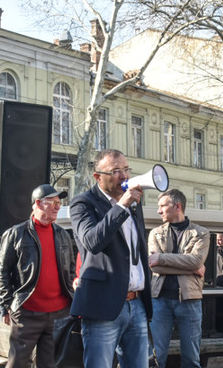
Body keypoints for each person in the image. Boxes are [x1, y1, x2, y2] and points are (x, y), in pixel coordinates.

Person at [69, 149, 152, 368]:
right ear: (98, 176)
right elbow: (92, 241)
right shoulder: (82, 204)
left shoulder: (134, 203)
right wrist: (122, 206)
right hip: (102, 306)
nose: (124, 176)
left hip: (137, 304)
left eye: (126, 169)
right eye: (116, 171)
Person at [0, 184, 75, 368]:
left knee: (50, 365)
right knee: (17, 364)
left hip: (58, 314)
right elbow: (1, 271)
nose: (57, 206)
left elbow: (70, 271)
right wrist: (6, 305)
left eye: (59, 202)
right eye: (52, 202)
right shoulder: (16, 233)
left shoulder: (62, 235)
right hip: (27, 312)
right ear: (38, 203)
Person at [148, 188, 209, 368]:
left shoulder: (201, 233)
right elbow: (154, 265)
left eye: (162, 206)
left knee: (191, 357)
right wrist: (190, 268)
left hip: (189, 300)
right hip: (160, 300)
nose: (159, 211)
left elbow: (196, 260)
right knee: (156, 355)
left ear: (177, 206)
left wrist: (163, 258)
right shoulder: (155, 232)